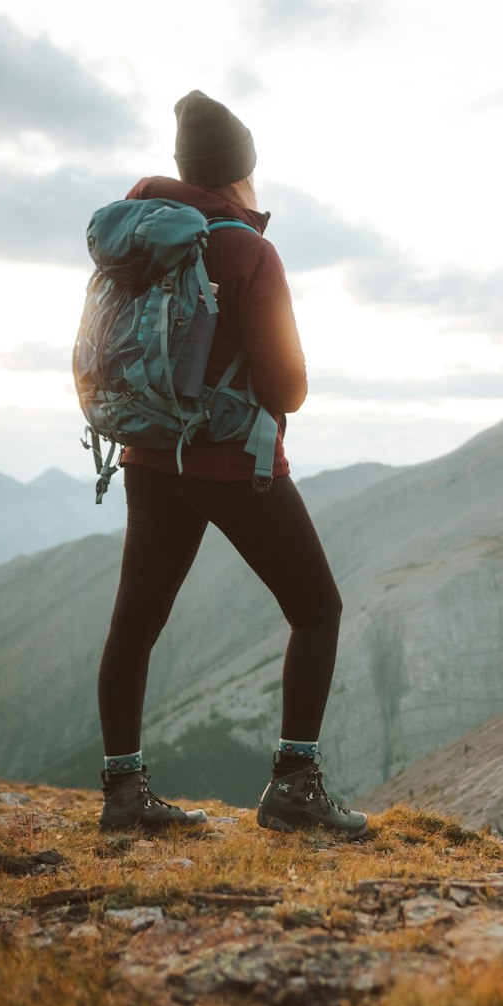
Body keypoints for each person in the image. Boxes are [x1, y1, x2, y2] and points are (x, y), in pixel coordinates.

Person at [95, 90, 367, 838]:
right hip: (230, 462)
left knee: (133, 627)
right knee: (317, 609)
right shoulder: (248, 249)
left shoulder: (140, 234)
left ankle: (123, 794)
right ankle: (294, 788)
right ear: (240, 171)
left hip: (147, 453)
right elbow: (288, 388)